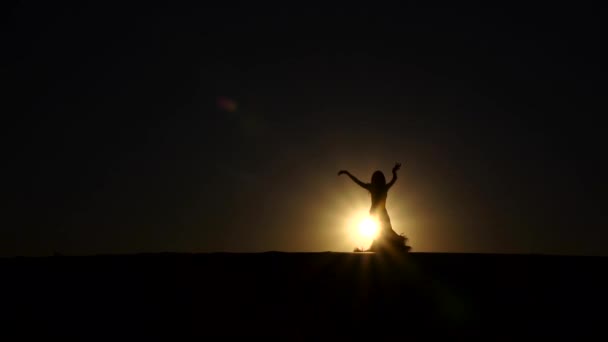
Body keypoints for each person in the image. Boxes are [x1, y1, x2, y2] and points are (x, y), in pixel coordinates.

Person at [338, 163, 409, 252]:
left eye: (378, 178)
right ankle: (383, 248)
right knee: (381, 233)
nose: (377, 180)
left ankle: (389, 247)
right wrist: (347, 173)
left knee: (386, 232)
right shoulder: (376, 187)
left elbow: (394, 179)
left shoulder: (382, 187)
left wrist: (394, 172)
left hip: (381, 213)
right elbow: (357, 181)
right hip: (376, 214)